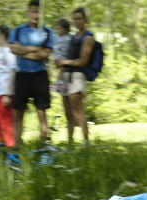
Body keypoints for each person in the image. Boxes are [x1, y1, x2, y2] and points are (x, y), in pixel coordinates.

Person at [8, 0, 54, 145]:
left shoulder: (48, 32)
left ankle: (44, 145)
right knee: (18, 113)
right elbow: (14, 49)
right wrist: (35, 48)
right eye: (33, 11)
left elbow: (45, 54)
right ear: (28, 13)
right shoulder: (18, 31)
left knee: (41, 112)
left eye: (38, 11)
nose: (35, 14)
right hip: (22, 76)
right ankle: (17, 145)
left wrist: (24, 50)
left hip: (40, 75)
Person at [56, 7, 94, 146]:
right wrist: (59, 63)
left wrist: (64, 61)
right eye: (74, 19)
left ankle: (86, 141)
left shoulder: (88, 37)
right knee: (67, 113)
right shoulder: (72, 37)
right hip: (64, 75)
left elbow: (83, 61)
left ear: (85, 20)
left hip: (77, 76)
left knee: (78, 111)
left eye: (79, 18)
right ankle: (70, 142)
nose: (76, 21)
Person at [51, 18, 72, 94]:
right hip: (58, 57)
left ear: (66, 29)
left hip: (65, 58)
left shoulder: (69, 37)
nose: (58, 30)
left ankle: (60, 86)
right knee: (60, 71)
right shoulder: (57, 38)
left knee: (62, 71)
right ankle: (59, 86)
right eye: (57, 29)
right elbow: (54, 48)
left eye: (60, 29)